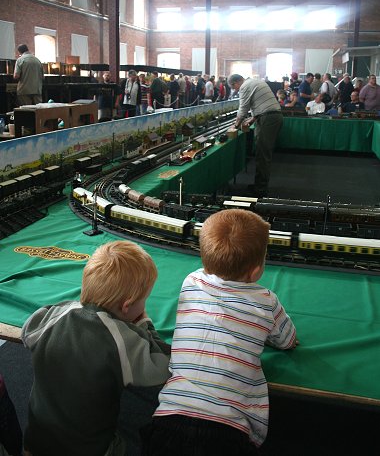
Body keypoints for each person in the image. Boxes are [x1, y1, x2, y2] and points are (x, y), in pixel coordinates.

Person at [143, 209, 297, 456]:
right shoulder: (266, 300)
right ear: (256, 271)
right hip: (227, 431)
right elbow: (288, 340)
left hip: (167, 420)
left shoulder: (190, 282)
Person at [22, 240, 171, 456]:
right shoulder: (122, 339)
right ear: (127, 306)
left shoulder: (55, 315)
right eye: (144, 300)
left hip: (36, 443)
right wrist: (144, 324)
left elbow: (28, 331)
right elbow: (164, 365)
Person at [228, 73, 283, 197]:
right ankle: (260, 185)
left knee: (262, 155)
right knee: (263, 154)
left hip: (268, 119)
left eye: (234, 88)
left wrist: (235, 126)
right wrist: (253, 119)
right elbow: (262, 104)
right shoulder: (255, 81)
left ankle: (260, 190)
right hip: (273, 117)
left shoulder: (244, 87)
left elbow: (243, 109)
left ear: (235, 83)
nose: (236, 90)